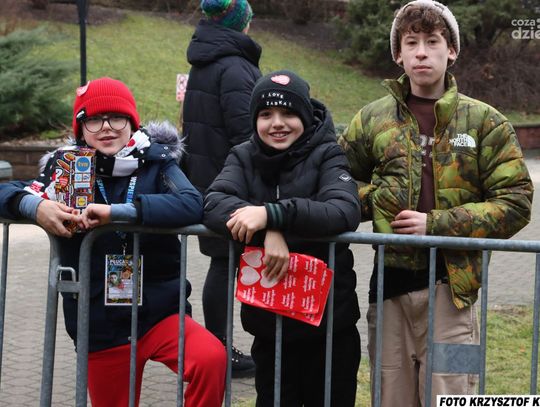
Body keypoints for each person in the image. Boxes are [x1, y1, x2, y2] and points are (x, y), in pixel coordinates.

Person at [338, 1, 534, 406]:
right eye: (411, 43)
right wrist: (377, 198)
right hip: (388, 291)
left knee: (451, 395)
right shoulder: (371, 120)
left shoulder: (485, 122)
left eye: (432, 41)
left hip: (453, 295)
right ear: (399, 54)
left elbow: (515, 202)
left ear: (452, 50)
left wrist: (437, 224)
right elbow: (336, 185)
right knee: (390, 397)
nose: (422, 52)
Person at [0, 77, 226, 407]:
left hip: (159, 313)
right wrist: (35, 206)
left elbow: (191, 202)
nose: (106, 127)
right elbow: (6, 191)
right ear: (81, 128)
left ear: (132, 122)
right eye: (94, 119)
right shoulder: (66, 168)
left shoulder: (155, 161)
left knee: (211, 359)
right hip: (99, 324)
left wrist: (118, 214)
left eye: (117, 118)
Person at [204, 70, 361, 406]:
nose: (277, 123)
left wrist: (272, 214)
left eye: (288, 113)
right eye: (266, 114)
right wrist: (269, 229)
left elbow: (343, 210)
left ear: (305, 115)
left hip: (330, 330)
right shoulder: (242, 155)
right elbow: (214, 203)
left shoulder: (328, 153)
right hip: (270, 328)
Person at [181, 0, 261, 376]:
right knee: (228, 263)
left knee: (223, 262)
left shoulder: (204, 61)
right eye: (249, 18)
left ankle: (218, 349)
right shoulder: (235, 67)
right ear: (240, 22)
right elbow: (249, 135)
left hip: (208, 180)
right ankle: (224, 351)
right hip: (233, 186)